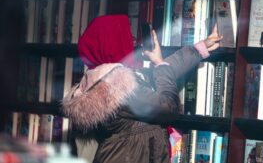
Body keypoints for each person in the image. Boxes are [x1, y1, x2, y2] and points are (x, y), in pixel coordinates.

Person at [62, 14, 222, 163]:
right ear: (112, 43)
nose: (132, 41)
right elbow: (169, 107)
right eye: (125, 36)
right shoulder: (117, 87)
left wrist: (200, 49)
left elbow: (161, 74)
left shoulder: (103, 79)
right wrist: (159, 64)